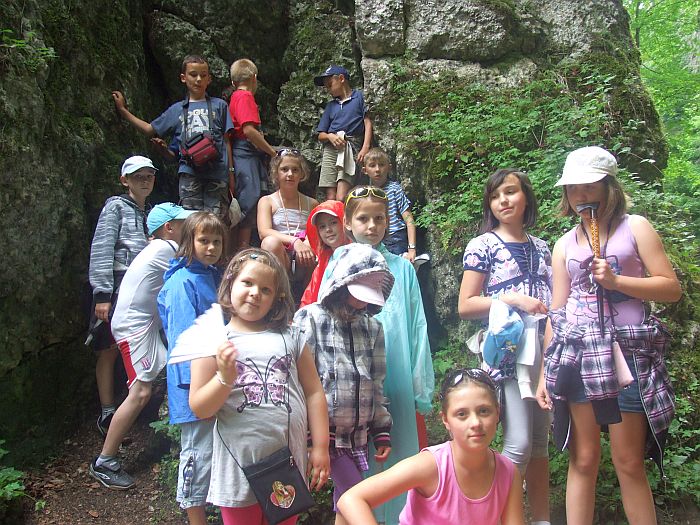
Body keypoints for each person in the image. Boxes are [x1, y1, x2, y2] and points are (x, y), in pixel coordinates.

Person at [536, 146, 681, 525]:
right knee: (583, 458)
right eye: (573, 188)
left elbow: (670, 288)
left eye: (589, 185)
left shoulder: (636, 227)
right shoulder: (565, 244)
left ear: (609, 187)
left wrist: (617, 281)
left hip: (628, 352)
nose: (581, 194)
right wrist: (544, 373)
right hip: (579, 353)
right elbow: (557, 311)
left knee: (628, 459)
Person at [188, 248, 330, 525]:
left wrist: (321, 446)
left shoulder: (291, 336)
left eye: (266, 290)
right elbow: (200, 408)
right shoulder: (211, 340)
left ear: (276, 298)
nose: (255, 293)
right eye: (247, 283)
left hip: (287, 466)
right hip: (237, 469)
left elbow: (314, 392)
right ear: (230, 283)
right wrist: (224, 378)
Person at [322, 185, 434, 525]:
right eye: (363, 219)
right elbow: (324, 324)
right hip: (350, 383)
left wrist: (420, 387)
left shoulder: (402, 269)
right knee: (355, 468)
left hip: (395, 377)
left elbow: (416, 326)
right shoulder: (338, 264)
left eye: (379, 219)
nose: (372, 226)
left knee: (397, 457)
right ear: (347, 222)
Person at [457, 168, 553, 525]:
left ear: (526, 196)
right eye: (495, 196)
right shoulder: (482, 245)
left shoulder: (542, 247)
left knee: (540, 444)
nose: (503, 201)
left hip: (544, 351)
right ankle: (497, 517)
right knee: (519, 442)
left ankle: (541, 519)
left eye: (510, 192)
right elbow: (466, 304)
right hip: (509, 352)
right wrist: (512, 299)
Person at [89, 203, 194, 489]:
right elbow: (197, 262)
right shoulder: (165, 249)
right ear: (169, 228)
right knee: (141, 391)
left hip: (141, 324)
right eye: (184, 223)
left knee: (167, 372)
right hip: (134, 328)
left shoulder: (158, 247)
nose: (190, 228)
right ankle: (104, 461)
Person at [337, 368, 525, 525]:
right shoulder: (431, 465)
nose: (475, 423)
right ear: (446, 420)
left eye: (484, 411)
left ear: (497, 413)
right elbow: (351, 499)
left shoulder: (508, 473)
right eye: (462, 414)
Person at [295, 243, 394, 524]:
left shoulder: (373, 328)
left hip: (357, 435)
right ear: (341, 284)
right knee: (356, 497)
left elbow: (376, 381)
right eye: (358, 293)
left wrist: (381, 428)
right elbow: (299, 380)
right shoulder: (311, 319)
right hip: (324, 432)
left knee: (346, 504)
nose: (362, 303)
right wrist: (312, 437)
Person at [157, 211, 226, 525]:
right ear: (189, 242)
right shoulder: (182, 282)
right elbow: (183, 340)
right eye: (204, 241)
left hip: (214, 381)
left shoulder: (209, 275)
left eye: (216, 241)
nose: (211, 247)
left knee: (211, 452)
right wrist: (196, 391)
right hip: (194, 386)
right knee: (197, 455)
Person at [112, 55, 234, 215]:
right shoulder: (177, 110)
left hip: (217, 172)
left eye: (203, 75)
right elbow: (149, 129)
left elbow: (226, 142)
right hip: (189, 173)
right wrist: (123, 111)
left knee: (216, 220)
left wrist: (231, 174)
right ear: (183, 78)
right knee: (190, 220)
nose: (198, 79)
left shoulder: (220, 106)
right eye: (193, 74)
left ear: (209, 79)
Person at [88, 155, 155, 437]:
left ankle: (133, 408)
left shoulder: (148, 212)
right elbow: (102, 248)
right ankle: (107, 411)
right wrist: (102, 294)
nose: (145, 181)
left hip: (140, 288)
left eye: (149, 176)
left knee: (131, 344)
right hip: (116, 286)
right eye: (138, 176)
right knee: (108, 348)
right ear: (125, 180)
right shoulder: (115, 207)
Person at [228, 58, 278, 248]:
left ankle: (240, 247)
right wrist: (272, 153)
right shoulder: (245, 97)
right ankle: (242, 248)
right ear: (254, 78)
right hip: (245, 153)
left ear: (233, 81)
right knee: (249, 200)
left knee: (248, 198)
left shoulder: (234, 97)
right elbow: (248, 130)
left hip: (241, 153)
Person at [314, 65, 373, 202]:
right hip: (331, 148)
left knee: (341, 196)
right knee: (330, 196)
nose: (328, 90)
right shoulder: (331, 106)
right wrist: (330, 136)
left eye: (330, 85)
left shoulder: (359, 97)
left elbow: (367, 122)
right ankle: (334, 216)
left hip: (349, 146)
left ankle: (349, 214)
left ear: (341, 79)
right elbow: (320, 134)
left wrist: (365, 147)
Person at [257, 149, 318, 274]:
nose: (290, 174)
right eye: (284, 169)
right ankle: (280, 285)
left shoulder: (312, 204)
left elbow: (316, 232)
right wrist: (294, 241)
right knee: (269, 242)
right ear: (276, 173)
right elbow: (264, 232)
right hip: (280, 254)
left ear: (302, 174)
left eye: (295, 170)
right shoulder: (267, 201)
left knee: (314, 243)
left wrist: (307, 243)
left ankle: (309, 286)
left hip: (305, 255)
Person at [363, 147, 417, 262]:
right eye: (372, 165)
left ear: (389, 167)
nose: (377, 169)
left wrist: (412, 248)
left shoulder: (394, 189)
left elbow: (409, 220)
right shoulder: (365, 193)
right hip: (375, 239)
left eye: (382, 165)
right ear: (365, 170)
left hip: (395, 238)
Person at [298, 200, 349, 308]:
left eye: (333, 223)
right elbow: (309, 295)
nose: (328, 230)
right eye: (322, 226)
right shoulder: (325, 258)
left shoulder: (357, 254)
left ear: (345, 222)